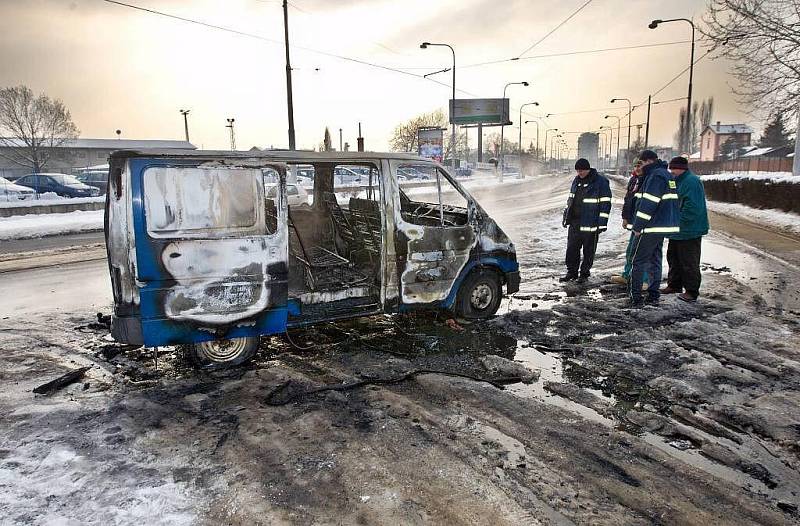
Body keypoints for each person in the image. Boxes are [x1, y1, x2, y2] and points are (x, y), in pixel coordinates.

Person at [627, 150, 680, 307]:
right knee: (655, 260)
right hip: (661, 226)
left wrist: (638, 226)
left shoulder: (655, 176)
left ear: (648, 161)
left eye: (641, 163)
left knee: (637, 260)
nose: (640, 167)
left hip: (650, 227)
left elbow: (648, 203)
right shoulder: (666, 174)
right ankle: (653, 294)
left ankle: (635, 296)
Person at [661, 156, 709, 302]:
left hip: (689, 229)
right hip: (677, 230)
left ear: (682, 168)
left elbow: (692, 207)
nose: (671, 171)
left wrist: (678, 221)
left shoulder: (691, 182)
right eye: (671, 168)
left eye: (673, 168)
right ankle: (674, 285)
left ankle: (691, 291)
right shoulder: (677, 181)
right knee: (674, 258)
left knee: (689, 261)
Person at [560, 158, 612, 284]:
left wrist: (602, 223)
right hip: (575, 222)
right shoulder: (576, 180)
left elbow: (606, 204)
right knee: (572, 249)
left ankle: (584, 274)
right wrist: (566, 216)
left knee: (588, 251)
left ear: (588, 169)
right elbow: (570, 200)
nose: (580, 173)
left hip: (591, 223)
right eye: (578, 170)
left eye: (582, 170)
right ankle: (571, 272)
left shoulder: (600, 182)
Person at [610, 159, 648, 287]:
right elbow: (628, 200)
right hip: (633, 221)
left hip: (644, 224)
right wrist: (625, 217)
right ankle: (627, 275)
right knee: (630, 250)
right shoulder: (633, 180)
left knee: (641, 253)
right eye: (636, 165)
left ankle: (644, 280)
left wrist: (641, 223)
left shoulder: (648, 180)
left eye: (640, 165)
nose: (637, 168)